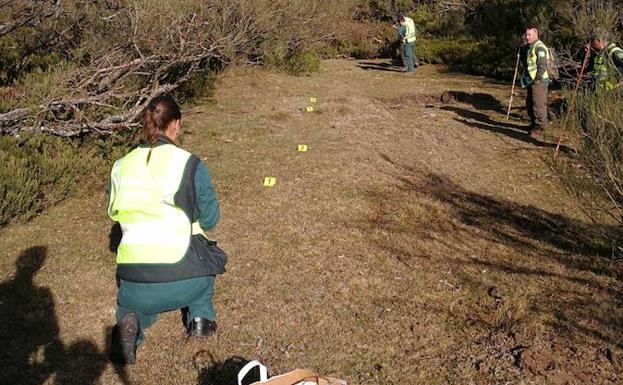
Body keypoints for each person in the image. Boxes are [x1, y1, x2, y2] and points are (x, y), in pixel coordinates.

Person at [107, 95, 224, 364]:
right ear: (176, 125)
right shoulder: (189, 163)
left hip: (133, 281)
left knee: (131, 306)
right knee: (207, 259)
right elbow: (210, 219)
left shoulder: (120, 166)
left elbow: (113, 212)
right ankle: (200, 319)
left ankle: (130, 322)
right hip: (187, 277)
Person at [520, 25, 551, 140]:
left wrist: (537, 78)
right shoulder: (530, 46)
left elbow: (542, 65)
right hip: (531, 79)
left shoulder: (540, 47)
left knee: (539, 104)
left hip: (539, 81)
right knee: (530, 103)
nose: (527, 37)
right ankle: (534, 124)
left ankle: (541, 127)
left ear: (536, 34)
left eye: (529, 35)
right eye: (526, 34)